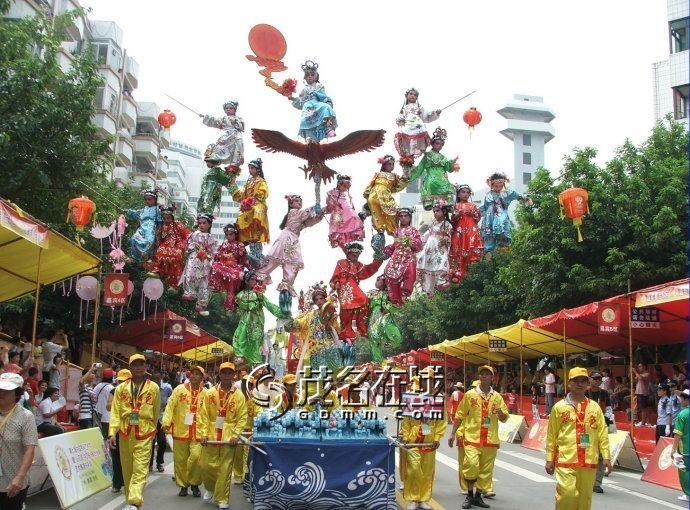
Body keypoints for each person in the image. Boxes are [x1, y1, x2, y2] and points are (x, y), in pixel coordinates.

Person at [545, 367, 611, 510]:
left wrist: (606, 456)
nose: (580, 384)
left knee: (585, 498)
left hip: (589, 460)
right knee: (566, 494)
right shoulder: (559, 407)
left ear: (588, 384)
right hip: (566, 458)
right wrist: (550, 458)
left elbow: (602, 433)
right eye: (576, 381)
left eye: (583, 381)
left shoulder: (595, 407)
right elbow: (552, 435)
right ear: (569, 383)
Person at [449, 365, 508, 509]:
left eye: (487, 374)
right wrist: (452, 433)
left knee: (485, 470)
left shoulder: (497, 397)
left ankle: (478, 496)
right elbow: (460, 415)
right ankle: (469, 494)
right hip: (472, 438)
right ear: (479, 377)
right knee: (472, 465)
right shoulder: (470, 395)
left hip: (490, 440)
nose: (484, 377)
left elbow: (504, 418)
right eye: (482, 374)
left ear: (492, 377)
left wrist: (500, 412)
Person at [107, 354, 161, 510]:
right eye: (135, 365)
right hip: (125, 432)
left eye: (141, 364)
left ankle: (134, 501)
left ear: (146, 367)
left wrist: (153, 429)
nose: (138, 367)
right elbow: (116, 411)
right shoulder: (121, 388)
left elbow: (156, 411)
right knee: (127, 470)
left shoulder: (153, 388)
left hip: (144, 433)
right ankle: (132, 504)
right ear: (130, 368)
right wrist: (112, 432)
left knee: (140, 468)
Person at [198, 361, 247, 510]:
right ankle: (210, 487)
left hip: (228, 436)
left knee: (225, 469)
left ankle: (222, 498)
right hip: (212, 434)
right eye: (224, 373)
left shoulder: (239, 395)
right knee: (206, 466)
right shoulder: (210, 393)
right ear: (219, 374)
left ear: (234, 375)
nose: (226, 376)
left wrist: (236, 435)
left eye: (229, 373)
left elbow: (242, 417)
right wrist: (203, 433)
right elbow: (203, 415)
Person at [256, 195, 324, 302]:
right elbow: (305, 213)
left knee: (291, 264)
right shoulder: (293, 212)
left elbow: (309, 222)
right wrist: (314, 208)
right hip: (287, 238)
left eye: (301, 201)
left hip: (293, 239)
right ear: (291, 204)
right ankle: (258, 278)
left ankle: (286, 286)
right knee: (284, 262)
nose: (299, 203)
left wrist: (322, 212)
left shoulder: (300, 216)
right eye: (297, 201)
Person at [400, 375, 447, 510]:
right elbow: (406, 420)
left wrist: (437, 438)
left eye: (430, 381)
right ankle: (414, 499)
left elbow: (441, 422)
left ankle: (423, 499)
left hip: (429, 440)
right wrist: (406, 437)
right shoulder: (412, 398)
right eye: (425, 381)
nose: (427, 383)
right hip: (413, 441)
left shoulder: (438, 401)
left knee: (427, 472)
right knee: (414, 469)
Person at [162, 365, 207, 498]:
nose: (193, 376)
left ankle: (195, 483)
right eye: (192, 373)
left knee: (196, 458)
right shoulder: (179, 390)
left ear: (202, 377)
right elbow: (170, 406)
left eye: (197, 374)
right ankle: (183, 485)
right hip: (181, 430)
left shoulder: (206, 393)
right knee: (180, 460)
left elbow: (210, 413)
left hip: (198, 432)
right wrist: (166, 422)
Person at [329, 241, 383, 344]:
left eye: (357, 255)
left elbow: (369, 269)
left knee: (364, 300)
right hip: (344, 289)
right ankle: (347, 332)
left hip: (354, 287)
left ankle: (360, 328)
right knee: (346, 311)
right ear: (348, 254)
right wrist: (335, 283)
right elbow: (335, 276)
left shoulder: (359, 266)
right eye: (353, 255)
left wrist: (378, 259)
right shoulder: (341, 263)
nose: (355, 257)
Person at [0, 372, 39, 510]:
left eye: (6, 391)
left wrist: (19, 477)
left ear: (17, 394)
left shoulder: (25, 417)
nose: (1, 393)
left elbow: (30, 449)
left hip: (13, 484)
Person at [232, 271, 288, 364]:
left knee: (256, 340)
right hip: (246, 319)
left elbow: (269, 305)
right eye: (253, 279)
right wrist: (255, 302)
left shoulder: (259, 294)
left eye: (256, 279)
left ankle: (256, 362)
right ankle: (239, 355)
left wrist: (282, 313)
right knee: (241, 335)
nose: (255, 281)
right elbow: (243, 305)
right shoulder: (241, 294)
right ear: (246, 280)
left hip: (257, 321)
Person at [286, 284, 342, 374]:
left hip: (331, 348)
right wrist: (289, 324)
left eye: (321, 298)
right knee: (319, 377)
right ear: (314, 302)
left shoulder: (331, 314)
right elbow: (299, 324)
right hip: (315, 351)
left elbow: (338, 330)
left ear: (325, 299)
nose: (319, 301)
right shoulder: (310, 315)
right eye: (316, 299)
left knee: (335, 375)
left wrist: (329, 326)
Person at [478, 172, 532, 256]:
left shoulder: (508, 193)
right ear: (492, 185)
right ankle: (488, 250)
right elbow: (484, 207)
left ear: (503, 184)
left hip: (501, 214)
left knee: (501, 225)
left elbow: (517, 195)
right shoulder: (488, 195)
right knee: (489, 232)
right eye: (496, 186)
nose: (498, 188)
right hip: (489, 216)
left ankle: (502, 243)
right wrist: (475, 212)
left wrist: (524, 197)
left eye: (501, 186)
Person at [229, 158, 270, 266]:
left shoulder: (261, 181)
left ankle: (256, 253)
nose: (250, 170)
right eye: (249, 168)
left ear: (257, 169)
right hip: (248, 207)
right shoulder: (249, 182)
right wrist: (233, 186)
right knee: (241, 218)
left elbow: (263, 192)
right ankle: (248, 249)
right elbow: (242, 196)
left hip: (256, 206)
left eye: (252, 168)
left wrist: (252, 199)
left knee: (255, 213)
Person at [408, 127, 459, 210]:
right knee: (429, 186)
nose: (439, 146)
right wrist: (409, 175)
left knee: (447, 188)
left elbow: (448, 168)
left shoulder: (443, 157)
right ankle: (428, 202)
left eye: (441, 144)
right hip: (431, 178)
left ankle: (448, 204)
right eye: (437, 143)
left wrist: (452, 163)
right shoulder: (427, 155)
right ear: (432, 144)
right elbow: (420, 168)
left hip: (442, 179)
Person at [180, 213, 219, 316]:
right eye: (200, 223)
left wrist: (208, 255)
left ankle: (202, 302)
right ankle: (189, 292)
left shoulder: (212, 238)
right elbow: (188, 245)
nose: (201, 225)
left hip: (205, 260)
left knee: (204, 280)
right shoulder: (194, 234)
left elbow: (214, 252)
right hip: (194, 257)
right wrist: (194, 248)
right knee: (189, 273)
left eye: (204, 223)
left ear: (209, 224)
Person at [289, 60, 337, 141]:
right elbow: (300, 103)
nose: (310, 76)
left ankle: (328, 128)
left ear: (316, 76)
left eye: (312, 74)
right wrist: (292, 98)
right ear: (305, 77)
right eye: (308, 75)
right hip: (307, 106)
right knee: (306, 121)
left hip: (317, 104)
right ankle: (309, 136)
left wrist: (328, 102)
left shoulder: (319, 87)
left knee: (326, 108)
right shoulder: (304, 90)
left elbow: (323, 96)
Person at [361, 155, 410, 235]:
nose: (391, 166)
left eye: (392, 164)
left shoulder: (394, 176)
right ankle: (379, 228)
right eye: (389, 164)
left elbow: (399, 186)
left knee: (392, 212)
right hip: (374, 194)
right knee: (374, 208)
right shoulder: (378, 174)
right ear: (384, 165)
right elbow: (371, 184)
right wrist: (367, 193)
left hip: (386, 196)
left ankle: (392, 230)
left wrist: (405, 175)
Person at [383, 207, 423, 305]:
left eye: (406, 216)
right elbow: (394, 246)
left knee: (411, 274)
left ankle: (404, 295)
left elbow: (419, 245)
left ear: (410, 218)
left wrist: (410, 240)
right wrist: (383, 252)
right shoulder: (396, 231)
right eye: (401, 216)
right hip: (396, 259)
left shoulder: (413, 230)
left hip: (408, 258)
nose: (403, 218)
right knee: (390, 276)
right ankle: (395, 300)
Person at [585, 370, 615, 494]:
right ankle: (585, 481)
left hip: (600, 429)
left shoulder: (604, 393)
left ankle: (597, 483)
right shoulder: (584, 392)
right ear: (590, 379)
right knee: (585, 452)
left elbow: (608, 409)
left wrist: (605, 420)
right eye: (595, 379)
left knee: (601, 456)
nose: (597, 381)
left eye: (599, 379)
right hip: (585, 430)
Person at [209, 223, 250, 311]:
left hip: (235, 268)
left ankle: (230, 305)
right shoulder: (224, 244)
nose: (228, 236)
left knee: (233, 279)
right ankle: (216, 285)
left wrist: (249, 267)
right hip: (224, 266)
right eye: (227, 235)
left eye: (230, 234)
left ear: (235, 234)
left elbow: (244, 259)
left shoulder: (240, 245)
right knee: (215, 265)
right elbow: (218, 257)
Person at [394, 87, 441, 161]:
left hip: (418, 126)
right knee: (404, 136)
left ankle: (412, 156)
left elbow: (426, 117)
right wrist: (400, 121)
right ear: (406, 95)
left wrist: (435, 114)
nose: (413, 96)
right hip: (408, 126)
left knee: (416, 139)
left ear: (417, 97)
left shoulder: (419, 107)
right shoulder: (404, 108)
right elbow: (401, 117)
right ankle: (408, 158)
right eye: (411, 94)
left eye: (415, 95)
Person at [449, 184, 483, 284]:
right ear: (458, 194)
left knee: (470, 249)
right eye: (463, 192)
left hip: (470, 230)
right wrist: (459, 214)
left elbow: (477, 218)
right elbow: (452, 220)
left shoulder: (473, 205)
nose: (466, 194)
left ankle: (468, 270)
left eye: (467, 192)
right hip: (459, 231)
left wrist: (472, 214)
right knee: (457, 250)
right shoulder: (455, 205)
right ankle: (456, 272)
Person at [148, 205, 190, 287]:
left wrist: (182, 246)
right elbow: (159, 238)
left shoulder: (178, 225)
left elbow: (187, 236)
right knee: (160, 252)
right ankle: (157, 270)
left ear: (172, 217)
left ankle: (174, 281)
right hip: (165, 244)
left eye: (168, 218)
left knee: (176, 255)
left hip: (177, 245)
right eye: (164, 218)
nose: (166, 220)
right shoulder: (162, 226)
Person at [416, 200, 452, 296]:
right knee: (426, 266)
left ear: (444, 212)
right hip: (429, 249)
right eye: (434, 211)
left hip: (439, 248)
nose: (435, 213)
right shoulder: (433, 223)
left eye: (437, 211)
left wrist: (445, 239)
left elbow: (450, 237)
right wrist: (420, 241)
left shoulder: (447, 224)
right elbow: (427, 234)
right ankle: (429, 290)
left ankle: (442, 282)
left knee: (441, 264)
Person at [366, 275, 402, 364]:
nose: (376, 281)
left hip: (385, 316)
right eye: (376, 279)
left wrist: (388, 307)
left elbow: (396, 303)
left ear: (385, 282)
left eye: (379, 279)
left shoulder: (390, 293)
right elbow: (364, 304)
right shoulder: (371, 292)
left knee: (393, 331)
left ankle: (392, 343)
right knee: (373, 338)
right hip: (374, 318)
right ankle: (378, 361)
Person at [324, 174, 365, 249]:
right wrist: (331, 205)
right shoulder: (332, 193)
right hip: (338, 211)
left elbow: (351, 205)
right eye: (344, 186)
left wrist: (353, 210)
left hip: (348, 211)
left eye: (347, 187)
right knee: (337, 224)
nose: (345, 188)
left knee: (355, 218)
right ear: (339, 184)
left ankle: (355, 235)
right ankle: (336, 240)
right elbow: (329, 204)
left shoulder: (347, 195)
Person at [201, 100, 244, 170]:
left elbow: (241, 127)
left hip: (236, 137)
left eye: (231, 108)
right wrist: (205, 117)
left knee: (237, 153)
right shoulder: (223, 119)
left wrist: (234, 121)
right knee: (219, 148)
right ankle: (214, 160)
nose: (228, 110)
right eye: (226, 108)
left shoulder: (238, 119)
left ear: (234, 110)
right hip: (225, 137)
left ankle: (233, 166)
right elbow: (214, 121)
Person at [125, 188, 163, 263]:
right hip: (142, 227)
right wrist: (127, 211)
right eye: (146, 199)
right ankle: (134, 257)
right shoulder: (143, 210)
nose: (147, 201)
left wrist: (159, 232)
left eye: (149, 199)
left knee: (149, 241)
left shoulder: (157, 210)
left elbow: (160, 221)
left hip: (151, 227)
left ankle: (147, 256)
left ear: (154, 200)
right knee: (133, 238)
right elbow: (135, 213)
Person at [198, 147, 235, 214]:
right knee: (202, 213)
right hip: (205, 195)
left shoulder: (217, 171)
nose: (207, 163)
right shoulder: (211, 171)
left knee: (207, 213)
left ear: (213, 161)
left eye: (208, 161)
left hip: (211, 196)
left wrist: (232, 172)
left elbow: (226, 179)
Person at [672, 388, 689, 501]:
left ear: (686, 399)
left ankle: (688, 494)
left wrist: (673, 449)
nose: (680, 401)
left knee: (685, 471)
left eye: (682, 398)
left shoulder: (682, 414)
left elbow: (678, 433)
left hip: (685, 449)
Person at [77, 364, 97, 429]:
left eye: (93, 373)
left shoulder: (92, 388)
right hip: (85, 417)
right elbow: (81, 381)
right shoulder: (83, 386)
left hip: (91, 417)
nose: (93, 375)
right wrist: (91, 369)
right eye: (91, 373)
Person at [631, 362, 652, 426]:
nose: (639, 368)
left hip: (643, 393)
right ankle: (647, 422)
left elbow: (640, 378)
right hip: (638, 393)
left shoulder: (647, 374)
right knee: (642, 408)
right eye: (638, 367)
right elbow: (634, 380)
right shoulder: (639, 374)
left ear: (644, 367)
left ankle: (643, 423)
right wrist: (632, 372)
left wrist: (635, 371)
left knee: (644, 408)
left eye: (640, 366)